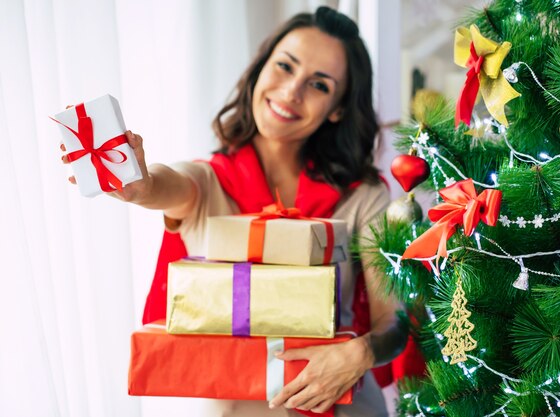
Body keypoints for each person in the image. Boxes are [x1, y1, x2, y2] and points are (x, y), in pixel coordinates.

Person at [63, 6, 407, 417]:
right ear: (261, 69)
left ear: (337, 108)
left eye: (318, 84)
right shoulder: (208, 183)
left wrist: (362, 352)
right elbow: (165, 184)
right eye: (284, 66)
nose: (291, 91)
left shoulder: (363, 197)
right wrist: (139, 185)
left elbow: (395, 321)